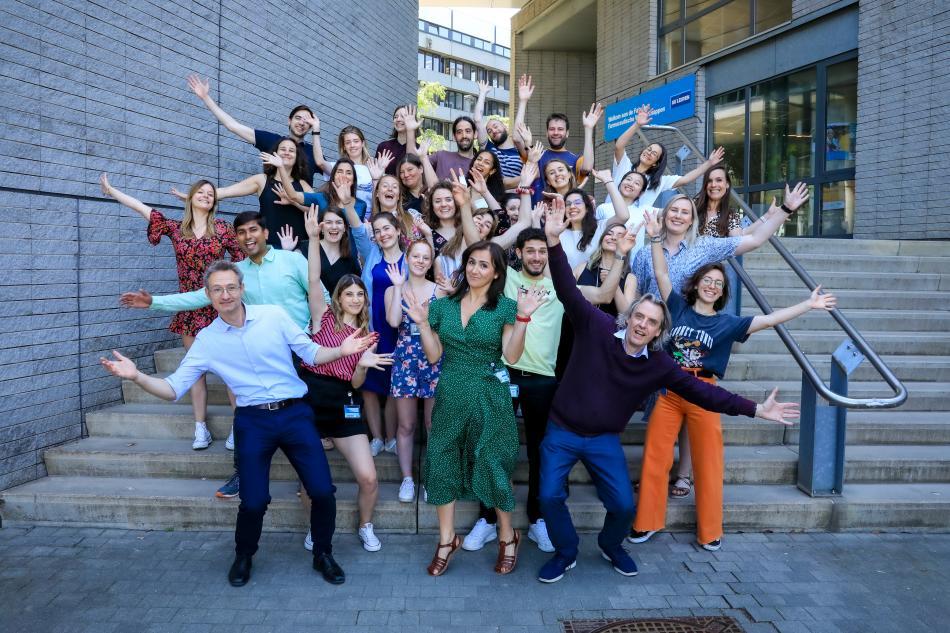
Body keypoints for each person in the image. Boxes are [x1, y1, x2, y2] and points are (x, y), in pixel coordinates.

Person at [534, 198, 799, 583]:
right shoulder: (597, 328)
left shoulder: (658, 364)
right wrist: (554, 243)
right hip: (562, 432)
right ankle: (566, 551)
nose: (642, 324)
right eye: (638, 316)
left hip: (604, 439)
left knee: (623, 506)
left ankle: (611, 545)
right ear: (629, 316)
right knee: (549, 497)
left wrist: (757, 409)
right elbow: (567, 292)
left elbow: (705, 393)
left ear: (660, 332)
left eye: (652, 322)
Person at [101, 260, 377, 586]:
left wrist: (340, 350)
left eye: (231, 287)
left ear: (242, 288)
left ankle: (323, 553)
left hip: (295, 413)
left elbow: (311, 354)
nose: (226, 294)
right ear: (208, 294)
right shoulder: (206, 340)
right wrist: (136, 376)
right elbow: (173, 389)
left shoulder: (273, 316)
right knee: (254, 500)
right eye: (217, 289)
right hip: (253, 421)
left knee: (322, 490)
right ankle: (244, 555)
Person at [630, 210, 836, 550]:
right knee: (656, 456)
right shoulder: (678, 307)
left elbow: (770, 320)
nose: (711, 286)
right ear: (696, 284)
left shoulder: (729, 324)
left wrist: (807, 305)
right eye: (707, 281)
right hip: (669, 389)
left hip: (705, 391)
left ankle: (710, 530)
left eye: (718, 284)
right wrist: (654, 238)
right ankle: (646, 521)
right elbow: (662, 271)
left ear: (722, 292)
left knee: (709, 461)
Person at [120, 211, 329, 498]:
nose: (248, 236)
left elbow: (321, 295)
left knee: (304, 419)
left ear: (265, 233)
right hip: (259, 351)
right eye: (241, 232)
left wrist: (322, 331)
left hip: (300, 345)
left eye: (253, 230)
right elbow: (196, 296)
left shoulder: (291, 260)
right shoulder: (235, 274)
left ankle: (310, 482)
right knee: (248, 417)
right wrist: (154, 302)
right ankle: (243, 475)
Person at [401, 241, 549, 576]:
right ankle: (445, 540)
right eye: (471, 262)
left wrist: (524, 317)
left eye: (484, 265)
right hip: (452, 390)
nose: (475, 269)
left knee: (493, 463)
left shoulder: (505, 307)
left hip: (489, 393)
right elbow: (434, 356)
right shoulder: (444, 305)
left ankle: (508, 537)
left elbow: (511, 357)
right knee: (441, 461)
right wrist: (423, 323)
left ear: (496, 272)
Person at [100, 173, 243, 451]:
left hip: (219, 308)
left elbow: (244, 265)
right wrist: (113, 191)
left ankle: (240, 426)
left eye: (210, 194)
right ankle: (200, 428)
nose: (206, 196)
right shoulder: (177, 229)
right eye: (200, 192)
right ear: (191, 198)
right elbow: (144, 210)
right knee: (195, 372)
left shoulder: (224, 229)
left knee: (231, 371)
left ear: (214, 202)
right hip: (188, 310)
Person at [299, 208, 394, 552]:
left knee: (369, 477)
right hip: (309, 402)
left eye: (359, 294)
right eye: (349, 293)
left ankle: (365, 525)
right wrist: (312, 239)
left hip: (343, 403)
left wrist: (364, 365)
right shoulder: (321, 316)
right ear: (338, 297)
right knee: (310, 482)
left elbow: (355, 385)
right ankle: (315, 527)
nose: (355, 298)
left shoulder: (369, 335)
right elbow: (313, 280)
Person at [629, 184, 810, 299]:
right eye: (673, 210)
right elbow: (637, 294)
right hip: (650, 332)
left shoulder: (705, 245)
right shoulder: (645, 253)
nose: (678, 216)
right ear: (665, 214)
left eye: (684, 212)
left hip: (686, 333)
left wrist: (785, 209)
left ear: (692, 220)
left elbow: (755, 240)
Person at [384, 240, 446, 503]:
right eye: (416, 256)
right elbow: (394, 321)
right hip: (406, 358)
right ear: (407, 258)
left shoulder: (440, 291)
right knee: (407, 424)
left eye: (425, 257)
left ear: (431, 262)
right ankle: (407, 478)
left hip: (433, 357)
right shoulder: (392, 289)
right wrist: (399, 287)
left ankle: (431, 477)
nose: (420, 261)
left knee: (433, 424)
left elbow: (444, 328)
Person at [186, 74, 324, 184]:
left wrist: (316, 197)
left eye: (307, 121)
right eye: (298, 118)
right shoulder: (272, 141)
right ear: (289, 120)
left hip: (304, 216)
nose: (301, 123)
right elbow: (233, 126)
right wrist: (206, 98)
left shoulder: (314, 152)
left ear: (311, 125)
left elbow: (336, 176)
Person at [190, 141, 311, 252]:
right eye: (283, 149)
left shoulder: (303, 185)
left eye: (291, 150)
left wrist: (293, 201)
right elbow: (226, 191)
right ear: (275, 154)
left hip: (297, 248)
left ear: (297, 157)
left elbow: (317, 211)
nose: (287, 152)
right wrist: (195, 196)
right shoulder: (262, 180)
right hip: (268, 247)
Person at [352, 211, 406, 456]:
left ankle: (392, 436)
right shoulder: (373, 256)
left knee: (395, 386)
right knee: (371, 387)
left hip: (399, 331)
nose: (382, 234)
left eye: (386, 228)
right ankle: (376, 437)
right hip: (373, 329)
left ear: (397, 229)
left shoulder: (410, 259)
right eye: (377, 231)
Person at [611, 103, 724, 210]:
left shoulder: (658, 182)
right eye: (648, 149)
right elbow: (619, 146)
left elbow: (686, 179)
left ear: (656, 163)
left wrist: (709, 163)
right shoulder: (625, 166)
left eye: (654, 154)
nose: (649, 153)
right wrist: (637, 125)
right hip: (609, 220)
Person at [556, 170, 631, 269]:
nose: (572, 206)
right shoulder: (559, 232)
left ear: (587, 208)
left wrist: (608, 180)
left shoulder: (600, 227)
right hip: (564, 283)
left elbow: (623, 216)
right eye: (568, 204)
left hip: (593, 283)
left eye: (578, 202)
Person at [529, 104, 601, 205]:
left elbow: (587, 167)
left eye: (560, 129)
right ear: (546, 133)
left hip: (567, 214)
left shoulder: (576, 159)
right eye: (552, 129)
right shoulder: (536, 156)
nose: (556, 132)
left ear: (567, 133)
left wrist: (588, 129)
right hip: (537, 215)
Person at [274, 157, 369, 230]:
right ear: (333, 177)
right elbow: (293, 195)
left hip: (349, 253)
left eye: (348, 173)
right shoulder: (322, 197)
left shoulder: (361, 205)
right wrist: (281, 167)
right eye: (339, 172)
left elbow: (358, 233)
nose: (343, 176)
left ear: (353, 179)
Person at [474, 75, 532, 187]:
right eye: (489, 131)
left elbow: (517, 136)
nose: (493, 131)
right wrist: (482, 94)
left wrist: (523, 101)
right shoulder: (489, 149)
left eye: (496, 126)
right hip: (495, 196)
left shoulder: (519, 150)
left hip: (517, 197)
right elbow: (477, 120)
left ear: (505, 127)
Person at [575, 221, 639, 316]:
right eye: (609, 234)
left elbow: (627, 315)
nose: (613, 237)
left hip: (610, 329)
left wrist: (613, 284)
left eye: (620, 236)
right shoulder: (582, 268)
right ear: (601, 239)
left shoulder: (630, 278)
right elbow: (566, 295)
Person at [406, 113, 476, 181]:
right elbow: (411, 161)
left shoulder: (480, 165)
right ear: (454, 137)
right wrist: (410, 131)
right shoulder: (441, 156)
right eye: (459, 132)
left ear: (475, 134)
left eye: (468, 131)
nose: (464, 136)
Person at [375, 105, 417, 176]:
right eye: (395, 117)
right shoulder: (383, 146)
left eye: (403, 116)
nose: (398, 119)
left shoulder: (419, 149)